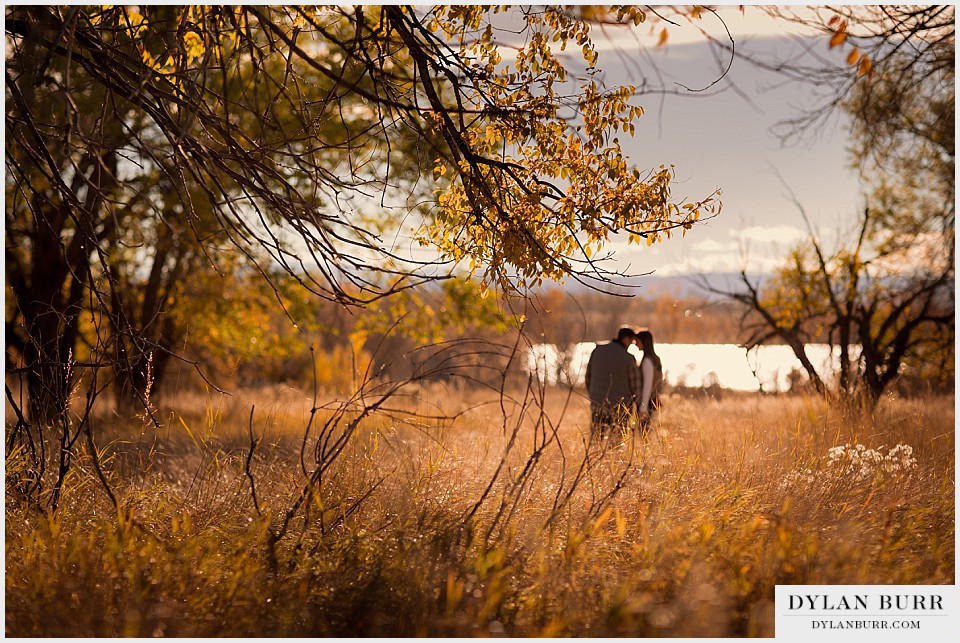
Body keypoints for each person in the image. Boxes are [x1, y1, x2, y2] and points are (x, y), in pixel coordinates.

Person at [584, 326, 640, 437]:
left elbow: (588, 377)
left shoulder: (597, 351)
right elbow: (635, 385)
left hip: (597, 403)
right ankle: (615, 455)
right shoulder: (629, 358)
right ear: (625, 339)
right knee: (617, 441)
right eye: (631, 341)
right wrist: (637, 404)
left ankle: (594, 454)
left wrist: (593, 395)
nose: (631, 345)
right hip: (620, 407)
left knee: (596, 437)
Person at [635, 328, 664, 436]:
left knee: (644, 435)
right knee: (649, 435)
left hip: (648, 404)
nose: (636, 344)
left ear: (643, 342)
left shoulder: (647, 361)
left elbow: (647, 386)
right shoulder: (654, 359)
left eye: (637, 341)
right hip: (653, 402)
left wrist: (643, 408)